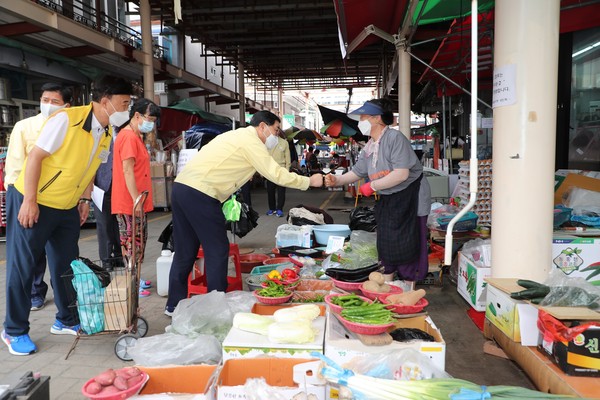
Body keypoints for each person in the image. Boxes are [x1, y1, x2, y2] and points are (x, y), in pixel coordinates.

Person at [2, 76, 133, 356]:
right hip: (35, 200)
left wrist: (84, 198)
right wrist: (29, 200)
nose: (127, 109)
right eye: (125, 103)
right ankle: (13, 330)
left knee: (66, 266)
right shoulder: (66, 120)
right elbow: (35, 157)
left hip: (67, 206)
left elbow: (91, 166)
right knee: (23, 266)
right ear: (106, 100)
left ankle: (66, 319)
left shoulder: (106, 131)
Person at [165, 111, 324, 315]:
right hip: (202, 193)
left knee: (185, 251)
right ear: (262, 127)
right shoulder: (252, 142)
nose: (276, 136)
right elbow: (274, 174)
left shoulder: (234, 135)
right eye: (276, 130)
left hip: (182, 188)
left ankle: (173, 305)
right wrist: (308, 181)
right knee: (217, 250)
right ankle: (216, 306)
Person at [325, 98, 423, 282]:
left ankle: (407, 284)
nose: (360, 121)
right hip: (388, 198)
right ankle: (388, 279)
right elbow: (357, 171)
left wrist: (372, 185)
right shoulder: (370, 146)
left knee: (404, 240)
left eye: (364, 117)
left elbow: (401, 174)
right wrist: (336, 180)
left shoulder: (394, 138)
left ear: (377, 118)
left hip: (408, 196)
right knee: (386, 239)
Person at [4, 83, 72, 312]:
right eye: (45, 100)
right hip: (25, 196)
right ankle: (34, 293)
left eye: (54, 102)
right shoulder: (25, 127)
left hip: (56, 200)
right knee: (26, 254)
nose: (48, 105)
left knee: (56, 255)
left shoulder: (70, 129)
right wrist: (22, 199)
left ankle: (65, 310)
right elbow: (14, 166)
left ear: (66, 106)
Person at [111, 98, 160, 297]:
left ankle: (136, 279)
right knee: (132, 244)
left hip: (133, 201)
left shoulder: (135, 135)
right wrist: (136, 200)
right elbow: (127, 170)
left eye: (154, 120)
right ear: (137, 115)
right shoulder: (129, 136)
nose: (152, 123)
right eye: (150, 118)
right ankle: (132, 285)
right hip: (129, 203)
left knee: (136, 243)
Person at [266, 129, 291, 217]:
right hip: (270, 170)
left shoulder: (284, 143)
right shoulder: (267, 142)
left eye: (277, 131)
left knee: (281, 191)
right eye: (274, 130)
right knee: (270, 190)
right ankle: (272, 208)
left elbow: (288, 158)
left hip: (282, 170)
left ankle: (279, 209)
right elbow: (265, 157)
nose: (276, 132)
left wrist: (287, 170)